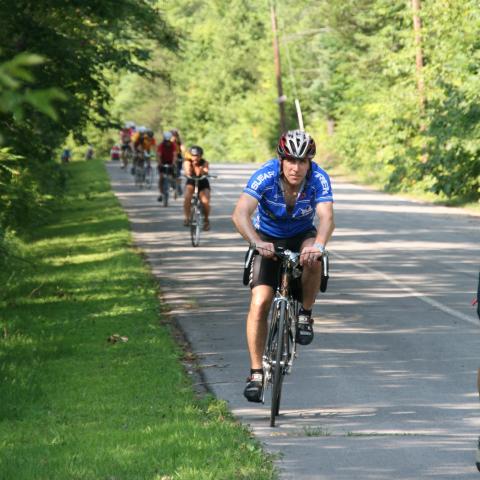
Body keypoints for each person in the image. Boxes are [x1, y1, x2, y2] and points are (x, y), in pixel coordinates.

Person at [231, 129, 335, 403]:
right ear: (281, 160)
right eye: (291, 160)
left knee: (314, 257)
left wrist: (319, 245)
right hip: (266, 238)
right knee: (260, 301)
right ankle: (255, 374)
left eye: (303, 161)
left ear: (310, 162)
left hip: (302, 234)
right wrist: (255, 242)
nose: (296, 167)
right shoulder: (265, 175)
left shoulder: (319, 178)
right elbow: (240, 213)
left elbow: (326, 217)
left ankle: (305, 315)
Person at [183, 145, 211, 230]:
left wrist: (201, 170)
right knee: (188, 196)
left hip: (203, 182)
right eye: (193, 155)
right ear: (190, 156)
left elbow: (205, 171)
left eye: (197, 156)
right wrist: (189, 171)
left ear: (201, 156)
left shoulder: (204, 162)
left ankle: (206, 220)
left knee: (205, 201)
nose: (195, 158)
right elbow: (187, 171)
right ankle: (187, 217)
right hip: (191, 181)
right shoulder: (187, 162)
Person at [156, 131, 177, 202]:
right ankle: (160, 193)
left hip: (171, 162)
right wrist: (160, 163)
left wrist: (173, 163)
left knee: (172, 177)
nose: (167, 143)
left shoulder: (173, 145)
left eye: (168, 141)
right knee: (161, 177)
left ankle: (173, 188)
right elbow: (158, 155)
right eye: (166, 141)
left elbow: (174, 155)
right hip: (162, 162)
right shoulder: (161, 145)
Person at [171, 129, 185, 195]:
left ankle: (178, 187)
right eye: (173, 134)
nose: (174, 136)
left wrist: (184, 154)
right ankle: (171, 184)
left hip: (178, 155)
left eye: (175, 134)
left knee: (178, 172)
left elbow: (182, 147)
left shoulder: (178, 140)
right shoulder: (169, 140)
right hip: (170, 156)